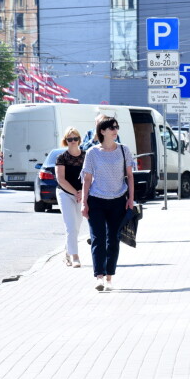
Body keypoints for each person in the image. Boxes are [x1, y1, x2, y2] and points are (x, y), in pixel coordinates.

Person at [81, 116, 135, 292]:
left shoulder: (124, 150)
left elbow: (130, 176)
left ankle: (109, 276)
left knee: (113, 239)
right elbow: (87, 179)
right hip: (96, 199)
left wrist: (130, 199)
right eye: (111, 127)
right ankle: (99, 277)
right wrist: (84, 202)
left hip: (118, 199)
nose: (115, 130)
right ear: (102, 131)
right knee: (97, 239)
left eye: (116, 127)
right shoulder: (92, 153)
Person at [56, 127, 86, 268]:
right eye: (70, 139)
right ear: (65, 141)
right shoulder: (61, 157)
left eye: (75, 138)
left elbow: (91, 176)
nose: (73, 141)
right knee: (71, 226)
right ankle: (75, 257)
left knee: (77, 226)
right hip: (65, 193)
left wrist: (83, 192)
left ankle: (67, 252)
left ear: (79, 140)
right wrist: (76, 192)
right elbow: (61, 179)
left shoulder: (86, 156)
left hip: (82, 193)